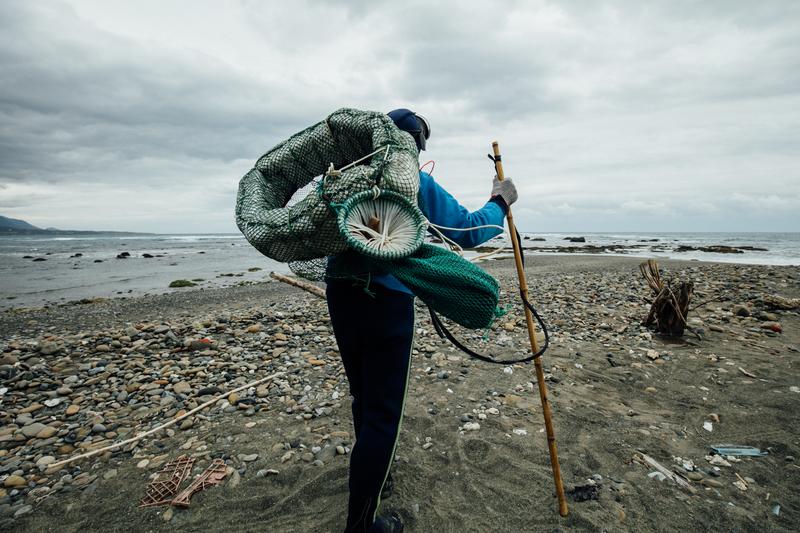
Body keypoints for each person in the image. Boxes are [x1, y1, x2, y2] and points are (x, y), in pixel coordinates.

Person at [325, 108, 518, 532]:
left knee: (362, 397)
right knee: (383, 413)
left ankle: (378, 475)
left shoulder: (345, 178)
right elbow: (466, 231)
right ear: (415, 144)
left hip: (340, 293)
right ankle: (361, 526)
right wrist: (500, 202)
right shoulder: (411, 180)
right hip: (386, 300)